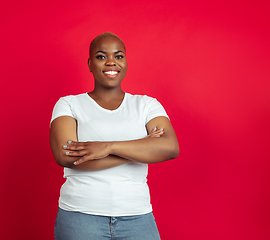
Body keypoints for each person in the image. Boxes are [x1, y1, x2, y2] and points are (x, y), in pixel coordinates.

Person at [49, 32, 179, 240]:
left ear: (126, 61)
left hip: (137, 216)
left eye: (118, 56)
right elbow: (66, 156)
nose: (111, 62)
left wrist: (107, 147)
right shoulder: (69, 104)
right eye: (101, 56)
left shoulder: (146, 105)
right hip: (81, 216)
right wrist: (142, 147)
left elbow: (170, 148)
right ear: (90, 63)